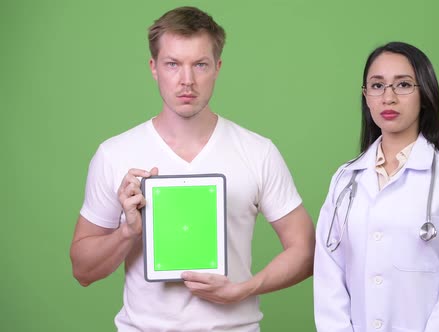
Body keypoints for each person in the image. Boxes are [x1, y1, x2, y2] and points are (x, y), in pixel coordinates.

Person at [69, 6, 315, 331]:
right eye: (173, 64)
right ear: (154, 67)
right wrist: (128, 231)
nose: (187, 81)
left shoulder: (258, 152)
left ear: (217, 67)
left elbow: (306, 250)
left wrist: (242, 289)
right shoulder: (115, 154)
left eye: (200, 64)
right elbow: (83, 271)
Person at [313, 41, 439, 332]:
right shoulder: (345, 179)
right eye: (377, 86)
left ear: (425, 94)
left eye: (403, 84)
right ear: (366, 97)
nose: (388, 97)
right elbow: (329, 274)